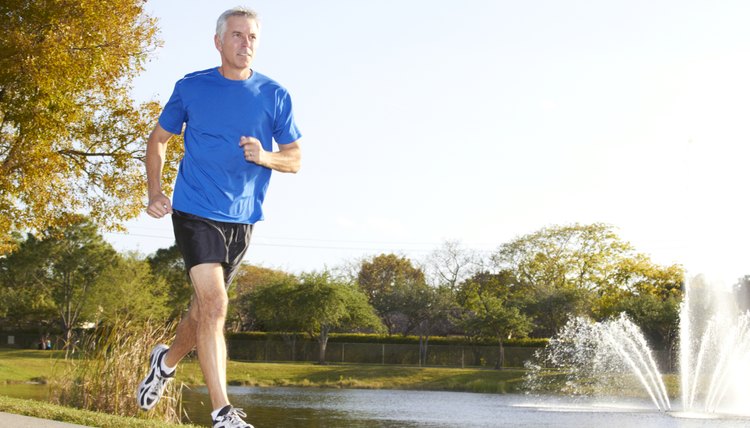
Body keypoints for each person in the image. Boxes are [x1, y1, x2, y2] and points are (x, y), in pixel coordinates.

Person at [137, 6, 302, 428]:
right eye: (236, 36)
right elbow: (157, 142)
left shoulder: (274, 94)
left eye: (251, 37)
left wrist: (265, 156)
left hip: (243, 218)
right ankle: (222, 412)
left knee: (202, 311)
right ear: (218, 41)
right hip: (195, 209)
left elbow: (295, 158)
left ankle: (165, 361)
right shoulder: (192, 87)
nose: (245, 43)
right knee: (216, 304)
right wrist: (155, 191)